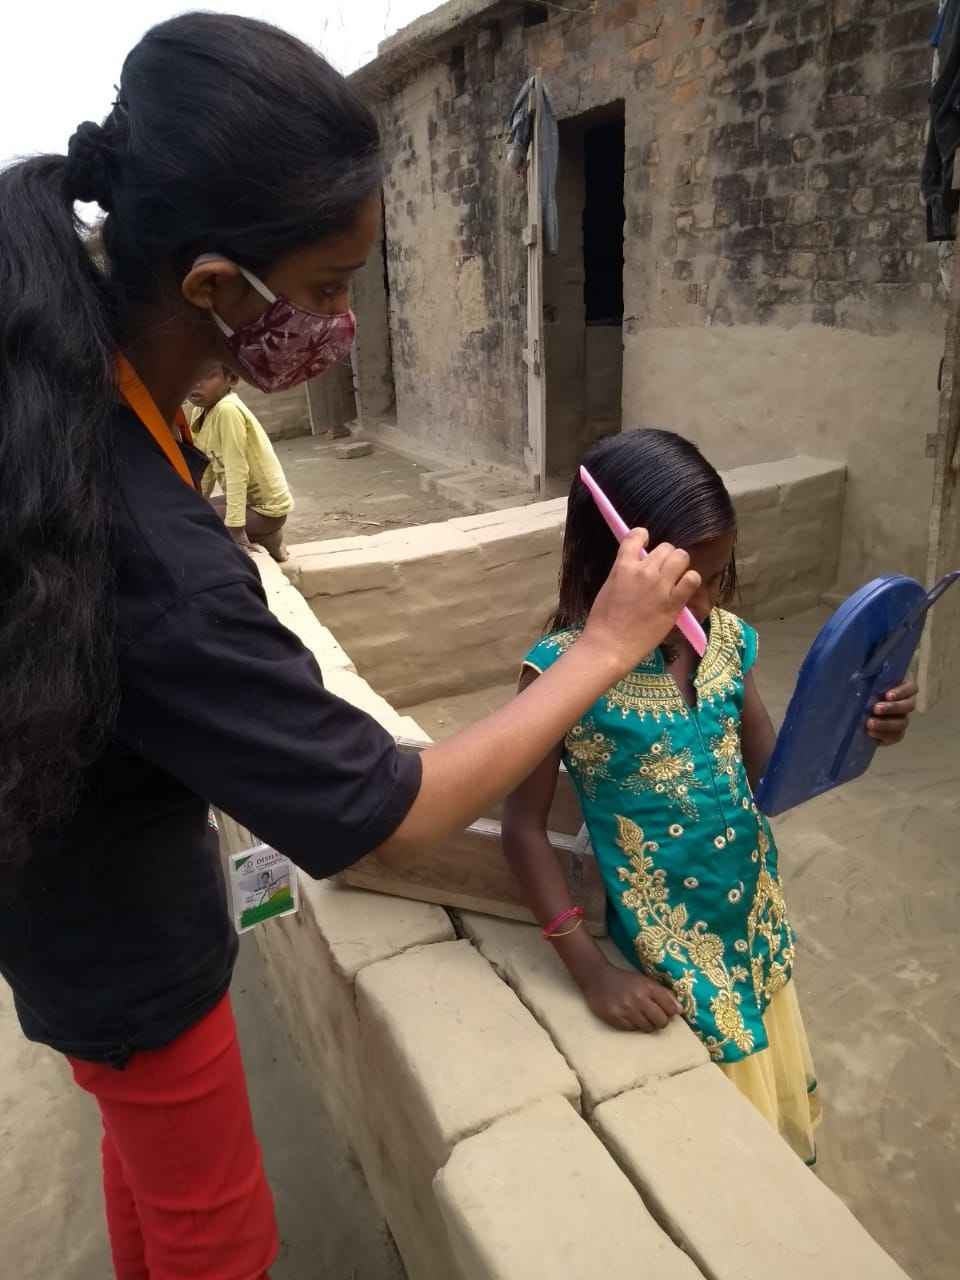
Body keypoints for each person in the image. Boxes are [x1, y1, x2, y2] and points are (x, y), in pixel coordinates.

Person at [0, 15, 700, 1279]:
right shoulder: (147, 548)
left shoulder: (68, 398)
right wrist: (605, 647)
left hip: (64, 915)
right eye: (326, 289)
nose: (341, 323)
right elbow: (387, 807)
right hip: (129, 958)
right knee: (220, 1230)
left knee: (143, 1166)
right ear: (214, 286)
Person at [502, 429, 919, 1166]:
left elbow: (771, 779)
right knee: (715, 1144)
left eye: (717, 577)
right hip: (668, 952)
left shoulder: (727, 641)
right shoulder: (562, 673)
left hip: (754, 917)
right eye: (682, 580)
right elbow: (522, 828)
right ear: (612, 563)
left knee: (770, 1081)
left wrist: (859, 726)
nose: (702, 600)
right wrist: (591, 972)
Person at [189, 362, 294, 561]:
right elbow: (207, 467)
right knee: (190, 510)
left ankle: (266, 534)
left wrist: (235, 528)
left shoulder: (227, 410)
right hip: (248, 503)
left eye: (208, 376)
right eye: (191, 375)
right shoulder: (201, 411)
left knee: (197, 520)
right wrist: (197, 499)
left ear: (232, 379)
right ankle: (267, 537)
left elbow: (236, 471)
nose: (196, 383)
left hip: (266, 512)